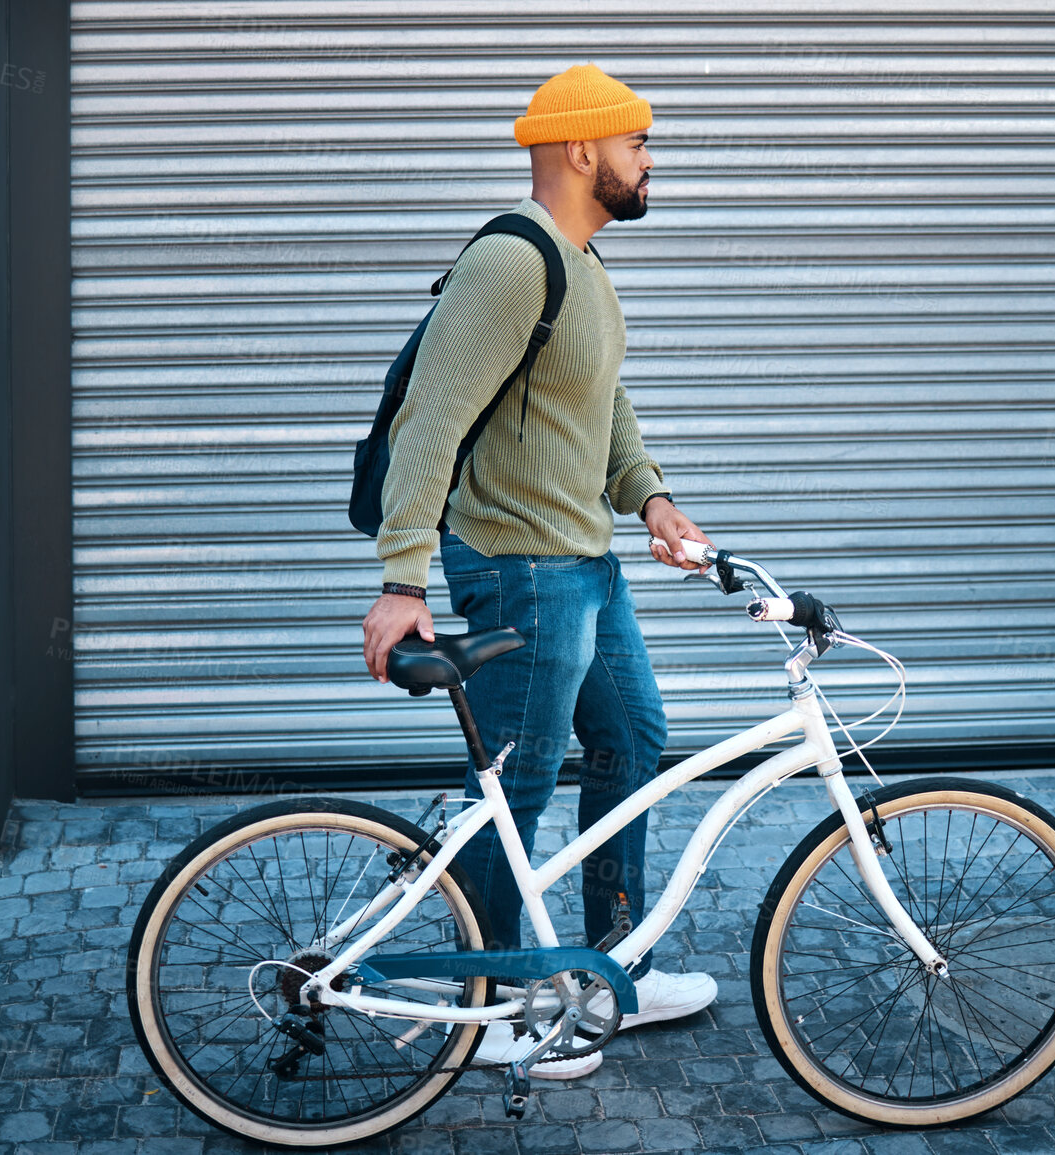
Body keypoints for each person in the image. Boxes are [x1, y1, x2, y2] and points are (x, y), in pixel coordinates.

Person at [361, 63, 718, 1079]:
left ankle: (600, 975)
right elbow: (430, 420)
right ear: (580, 150)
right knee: (514, 788)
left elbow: (603, 408)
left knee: (633, 738)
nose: (650, 161)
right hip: (518, 569)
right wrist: (402, 578)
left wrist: (648, 496)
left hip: (583, 563)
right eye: (637, 143)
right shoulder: (514, 264)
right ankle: (484, 1003)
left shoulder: (585, 266)